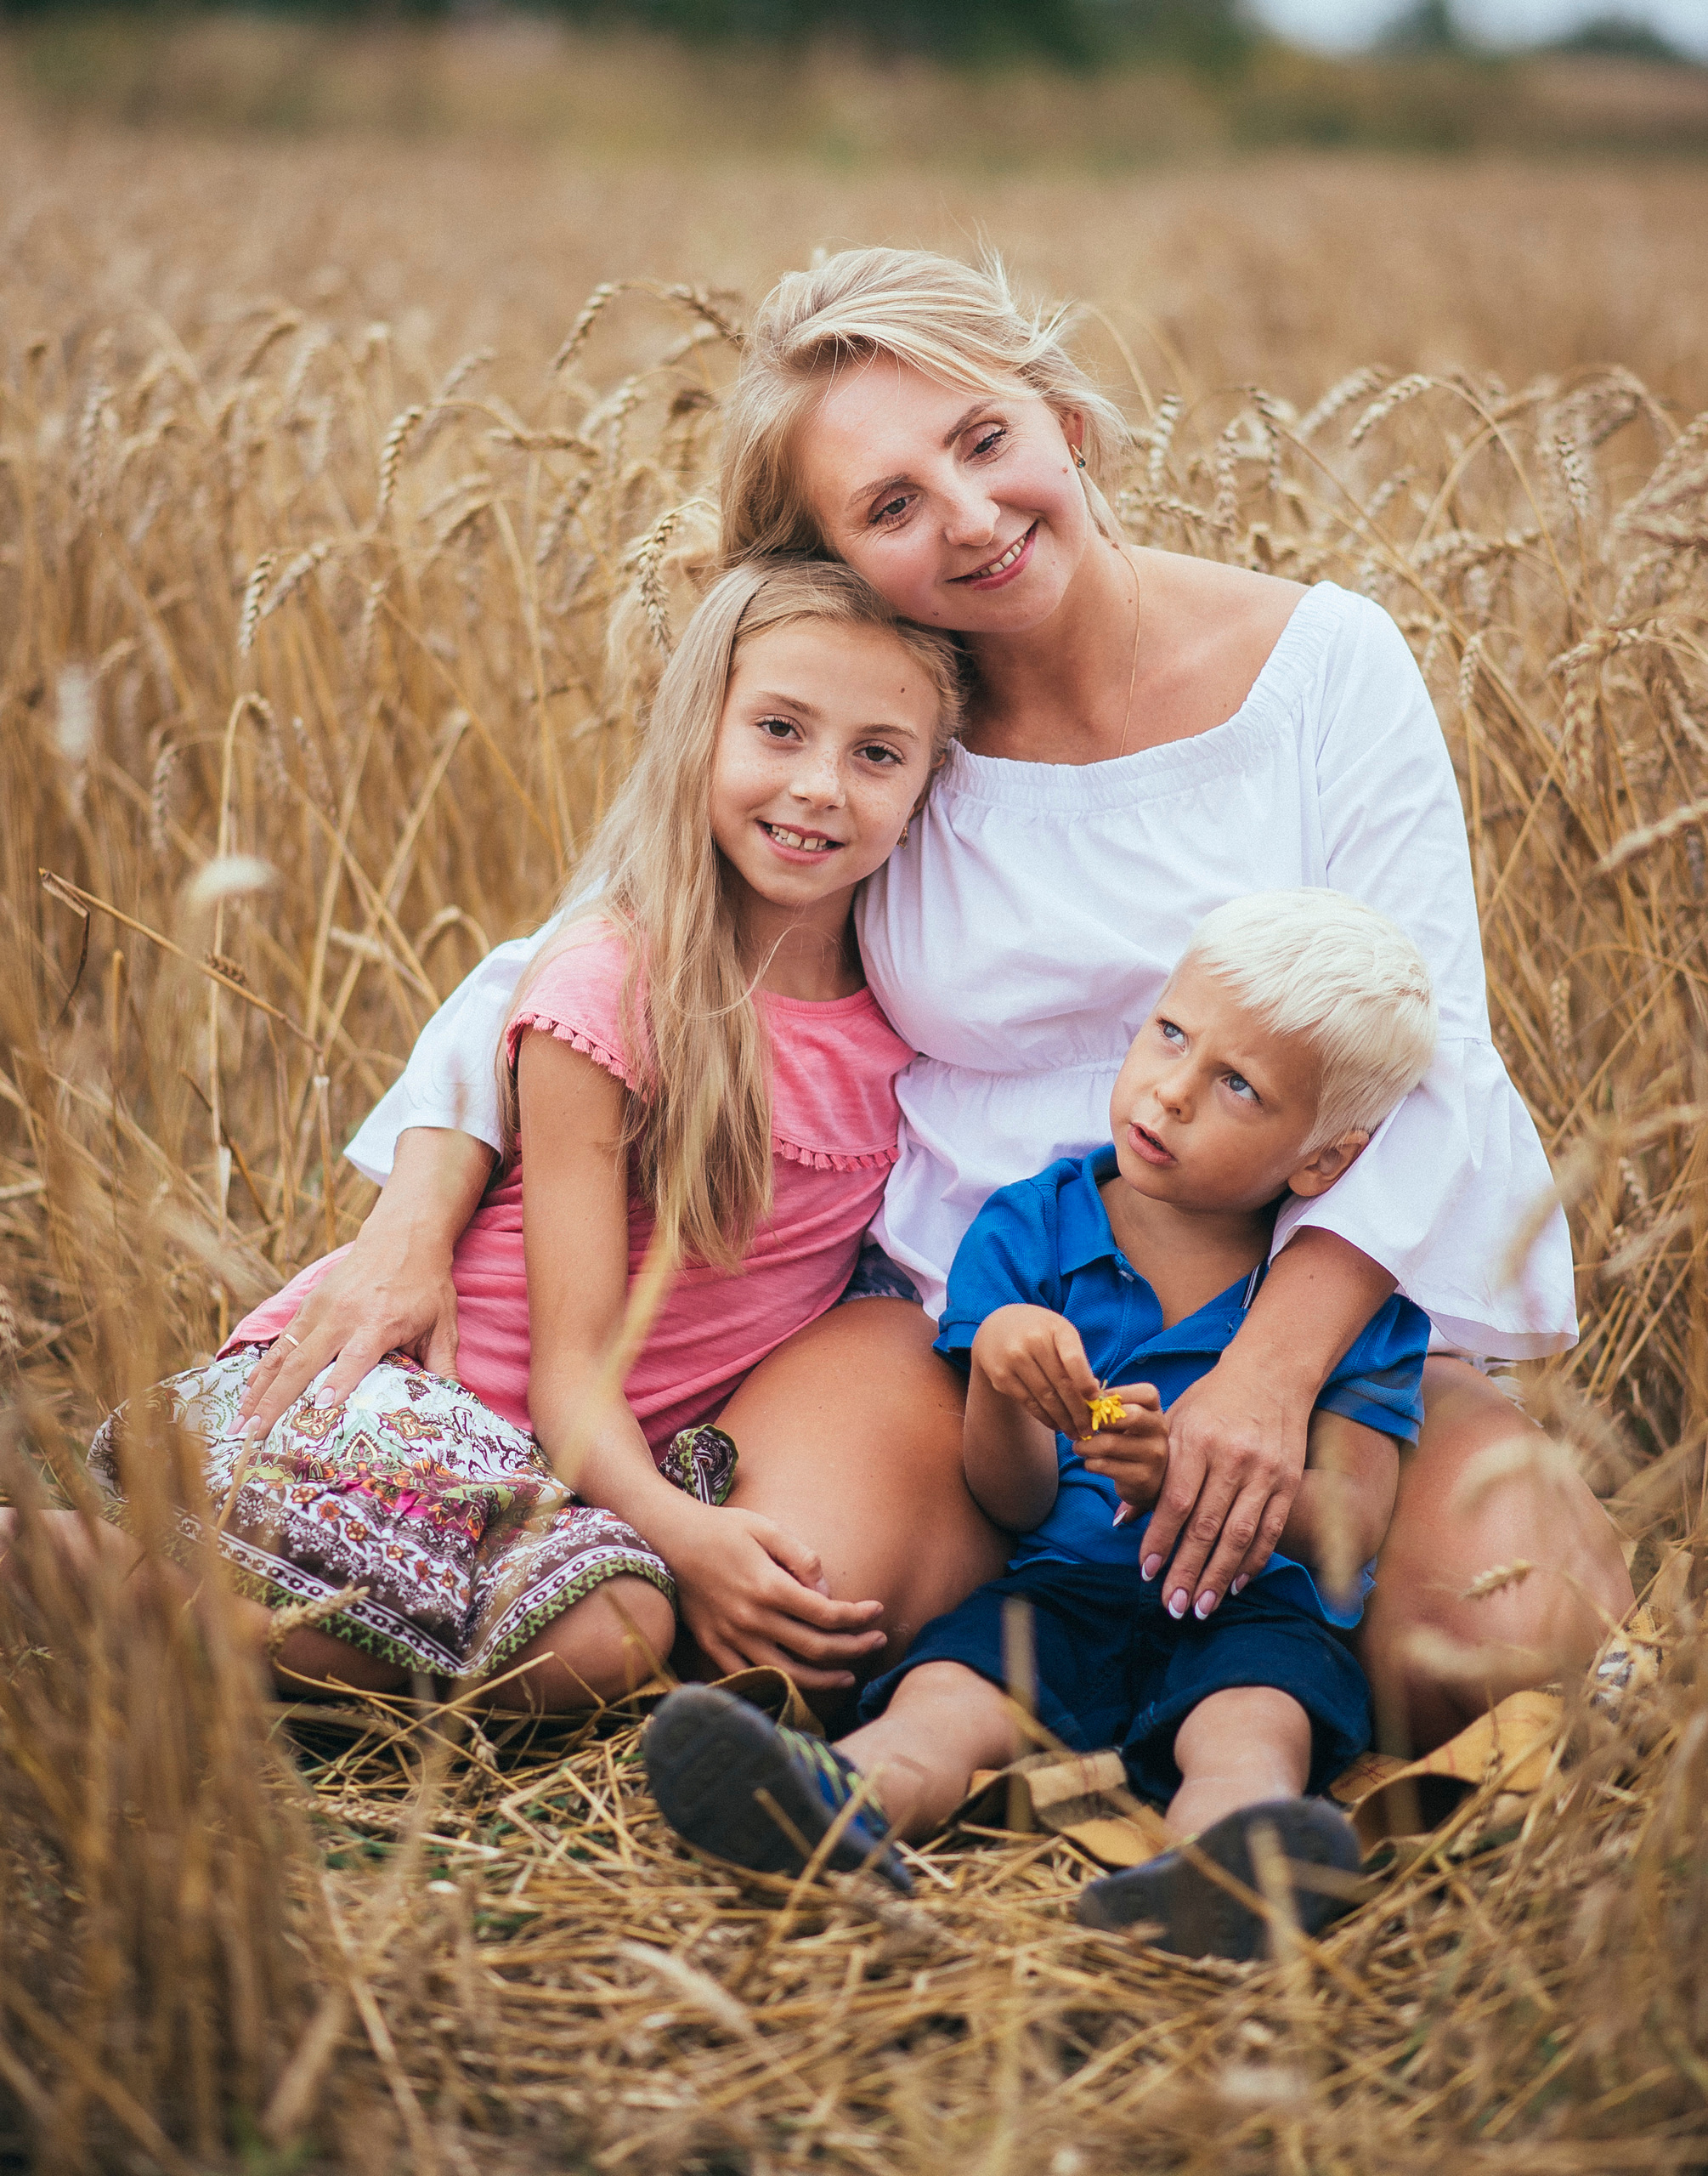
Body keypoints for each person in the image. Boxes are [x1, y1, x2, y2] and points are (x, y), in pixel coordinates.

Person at [236, 247, 1632, 1749]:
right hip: (959, 1327)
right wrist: (411, 1220)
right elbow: (583, 970)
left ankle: (1219, 1733)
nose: (968, 518)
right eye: (889, 506)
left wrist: (1267, 1376)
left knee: (1493, 1651)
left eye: (983, 440)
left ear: (1063, 423)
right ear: (837, 559)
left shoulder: (1323, 669)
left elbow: (1433, 1057)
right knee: (791, 1622)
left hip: (1308, 1307)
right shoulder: (890, 731)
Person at [71, 559, 976, 1709]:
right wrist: (683, 1535)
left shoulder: (910, 1020)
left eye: (877, 754)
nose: (819, 787)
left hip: (572, 1469)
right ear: (697, 729)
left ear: (929, 785)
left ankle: (208, 1625)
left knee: (621, 1619)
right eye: (779, 729)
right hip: (415, 1407)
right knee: (615, 1636)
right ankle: (90, 1578)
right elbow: (570, 1368)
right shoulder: (613, 989)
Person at [644, 891, 1434, 1960]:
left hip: (1257, 1612)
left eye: (1238, 1085)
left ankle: (1219, 1876)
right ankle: (829, 1809)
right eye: (1170, 1034)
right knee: (943, 1701)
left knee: (1250, 1733)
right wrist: (1000, 1381)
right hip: (1057, 1592)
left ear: (1322, 1161)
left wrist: (1184, 1474)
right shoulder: (1033, 1230)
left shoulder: (1350, 1313)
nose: (1172, 1090)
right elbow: (1010, 1500)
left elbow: (1355, 1523)